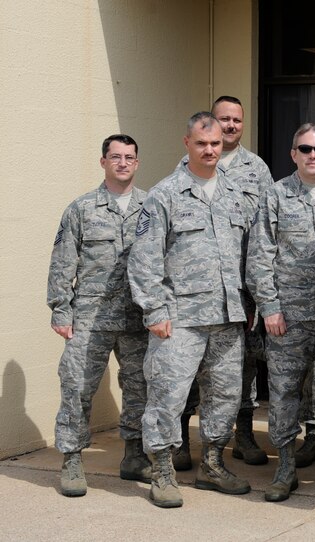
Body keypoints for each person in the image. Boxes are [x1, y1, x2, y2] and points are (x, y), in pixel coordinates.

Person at [129, 112, 252, 508]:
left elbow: (252, 253)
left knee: (225, 395)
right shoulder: (164, 194)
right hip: (179, 319)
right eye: (202, 143)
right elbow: (144, 260)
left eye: (215, 143)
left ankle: (212, 466)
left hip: (228, 316)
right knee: (167, 394)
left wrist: (251, 301)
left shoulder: (236, 193)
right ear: (187, 143)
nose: (210, 149)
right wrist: (155, 311)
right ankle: (163, 470)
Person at [247, 123, 315, 502]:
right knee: (285, 391)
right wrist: (270, 307)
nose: (312, 155)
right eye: (304, 148)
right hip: (288, 317)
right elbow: (260, 256)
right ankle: (286, 464)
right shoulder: (276, 195)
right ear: (293, 154)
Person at [47, 134, 150, 497]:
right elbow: (63, 262)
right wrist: (61, 309)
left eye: (129, 157)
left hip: (138, 319)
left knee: (140, 388)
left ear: (137, 163)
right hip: (89, 318)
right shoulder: (82, 208)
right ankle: (73, 459)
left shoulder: (151, 206)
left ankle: (135, 455)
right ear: (103, 161)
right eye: (115, 157)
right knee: (77, 387)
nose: (122, 163)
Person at [176, 96, 274, 470]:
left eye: (236, 120)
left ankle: (243, 435)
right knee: (192, 368)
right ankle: (183, 440)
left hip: (242, 291)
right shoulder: (186, 168)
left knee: (243, 368)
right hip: (197, 290)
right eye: (223, 120)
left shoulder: (257, 169)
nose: (230, 126)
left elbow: (266, 228)